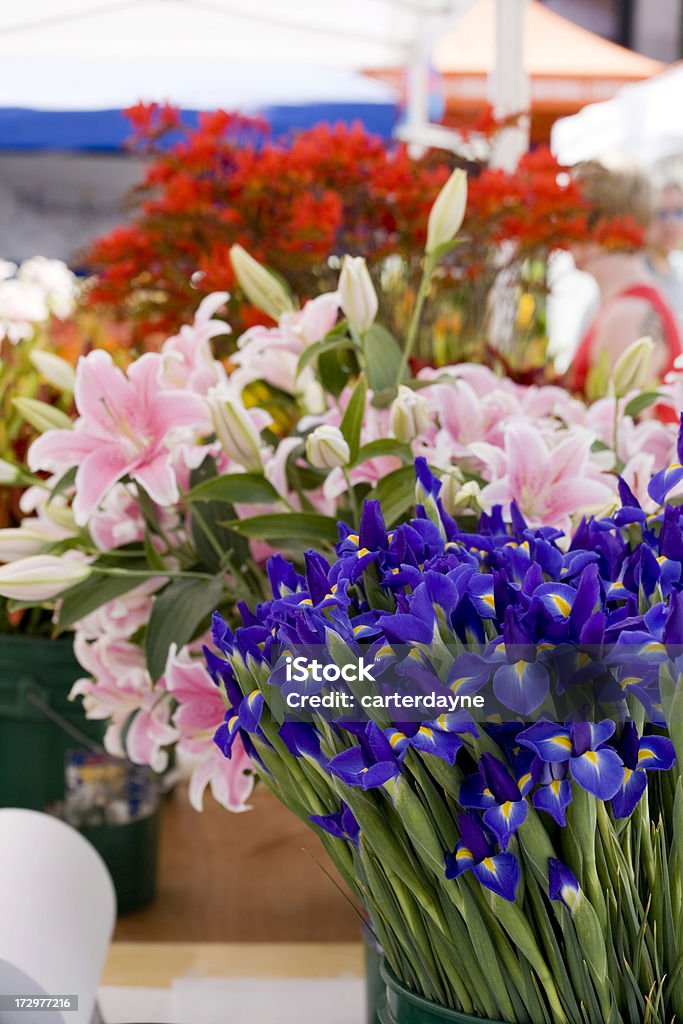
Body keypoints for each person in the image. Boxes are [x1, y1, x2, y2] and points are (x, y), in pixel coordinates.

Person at [569, 161, 682, 397]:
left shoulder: (628, 314)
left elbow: (622, 428)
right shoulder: (627, 304)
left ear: (600, 223)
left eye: (569, 215)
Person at [646, 180, 683, 338]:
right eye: (660, 213)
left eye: (679, 212)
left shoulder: (679, 267)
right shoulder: (630, 273)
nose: (671, 223)